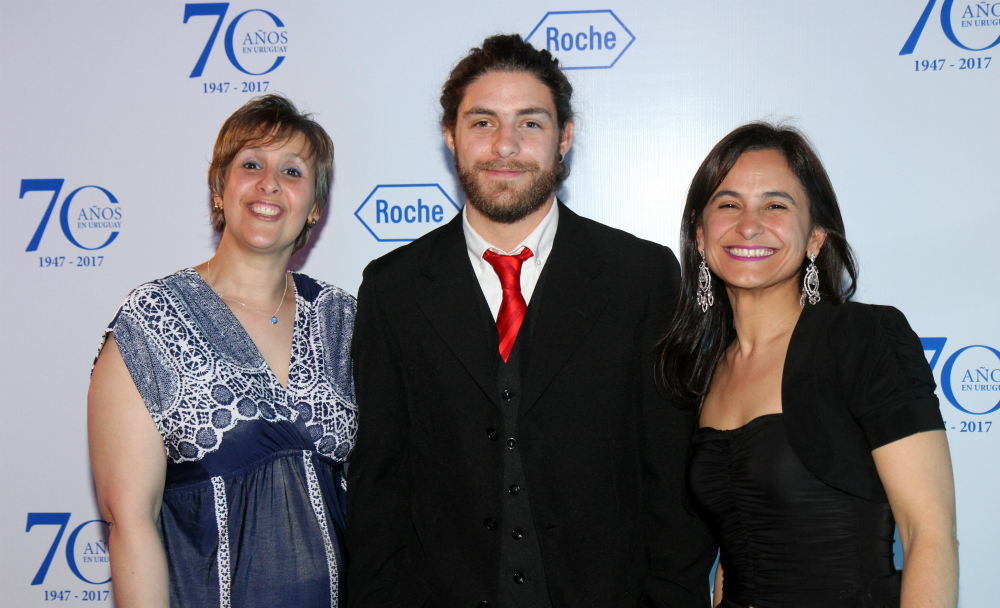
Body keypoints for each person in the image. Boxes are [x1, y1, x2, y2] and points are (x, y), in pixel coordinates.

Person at [346, 34, 714, 608]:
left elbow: (671, 476)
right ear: (451, 137)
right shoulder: (392, 286)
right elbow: (379, 486)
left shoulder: (639, 276)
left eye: (531, 124)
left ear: (564, 137)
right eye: (482, 123)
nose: (506, 146)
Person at [658, 122, 959, 608]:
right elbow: (732, 556)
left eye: (776, 205)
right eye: (728, 204)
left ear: (816, 237)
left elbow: (930, 534)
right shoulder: (704, 368)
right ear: (699, 233)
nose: (749, 224)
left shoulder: (862, 339)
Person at [88, 94, 355, 608]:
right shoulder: (152, 321)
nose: (269, 184)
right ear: (219, 189)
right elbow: (129, 521)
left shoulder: (344, 319)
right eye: (250, 164)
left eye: (293, 172)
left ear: (315, 207)